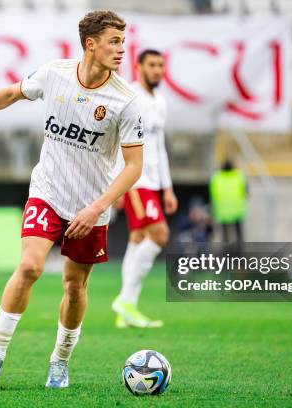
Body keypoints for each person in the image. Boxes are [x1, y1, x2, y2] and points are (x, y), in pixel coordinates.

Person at [0, 10, 143, 389]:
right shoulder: (54, 73)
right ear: (91, 44)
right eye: (114, 41)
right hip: (47, 193)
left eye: (123, 41)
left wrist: (97, 207)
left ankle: (59, 361)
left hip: (91, 206)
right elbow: (9, 93)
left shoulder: (125, 101)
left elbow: (134, 166)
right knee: (29, 267)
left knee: (74, 288)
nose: (122, 49)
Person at [111, 49, 178, 329]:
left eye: (161, 65)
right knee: (160, 234)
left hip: (153, 182)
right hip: (135, 179)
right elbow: (116, 140)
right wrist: (116, 184)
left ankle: (126, 309)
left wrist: (168, 188)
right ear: (138, 67)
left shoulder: (160, 102)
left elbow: (160, 148)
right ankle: (126, 300)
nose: (157, 70)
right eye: (152, 65)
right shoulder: (130, 97)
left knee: (138, 238)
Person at [209, 159, 247, 244]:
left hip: (223, 211)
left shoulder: (216, 178)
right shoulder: (239, 176)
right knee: (239, 233)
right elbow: (246, 191)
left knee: (225, 235)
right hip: (237, 210)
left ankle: (226, 252)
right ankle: (240, 252)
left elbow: (212, 194)